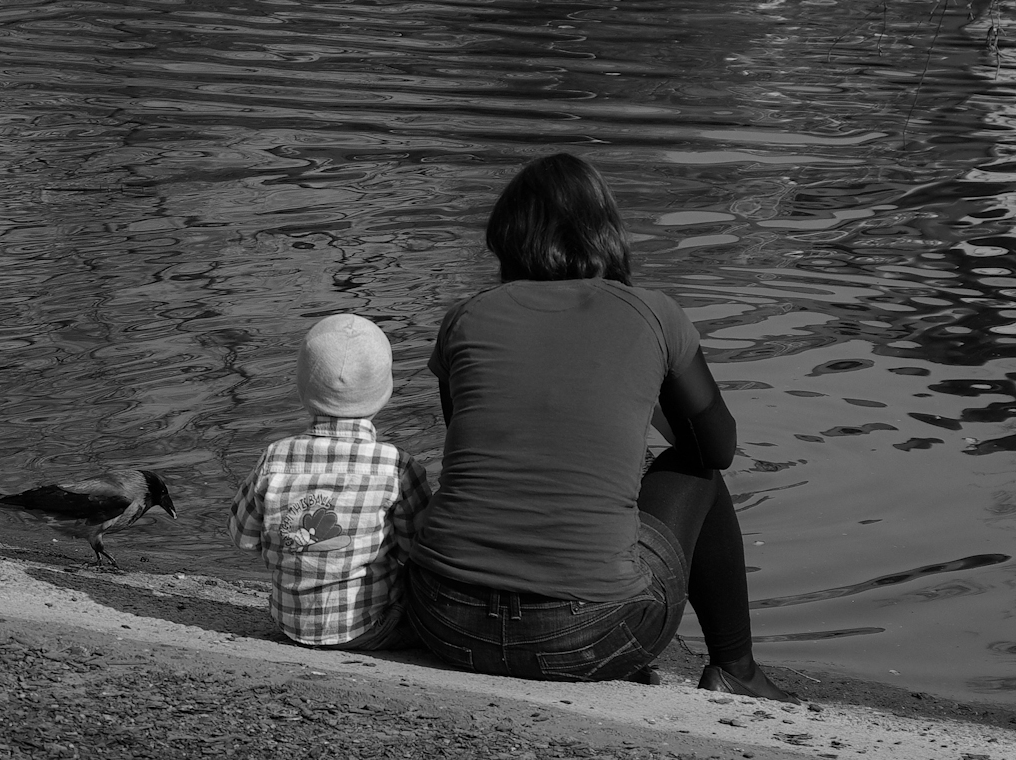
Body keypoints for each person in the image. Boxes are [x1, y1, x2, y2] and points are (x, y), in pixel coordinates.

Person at [403, 153, 796, 700]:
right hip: (587, 635)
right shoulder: (654, 313)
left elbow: (476, 441)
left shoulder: (466, 317)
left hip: (444, 619)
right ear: (604, 233)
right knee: (696, 467)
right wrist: (654, 398)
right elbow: (718, 448)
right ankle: (736, 667)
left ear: (508, 240)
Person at [229, 313, 432, 650]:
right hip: (371, 627)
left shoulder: (275, 456)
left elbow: (243, 538)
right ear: (386, 391)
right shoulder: (397, 466)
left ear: (302, 388)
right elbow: (419, 549)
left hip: (289, 622)